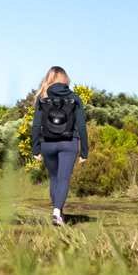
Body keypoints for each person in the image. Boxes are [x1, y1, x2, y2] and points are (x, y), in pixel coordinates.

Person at [29, 66, 87, 225]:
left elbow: (36, 125)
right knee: (63, 179)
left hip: (47, 144)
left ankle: (59, 214)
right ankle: (57, 213)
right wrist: (84, 151)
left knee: (54, 179)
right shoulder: (75, 98)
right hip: (69, 143)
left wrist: (35, 147)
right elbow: (81, 126)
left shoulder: (42, 99)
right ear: (65, 79)